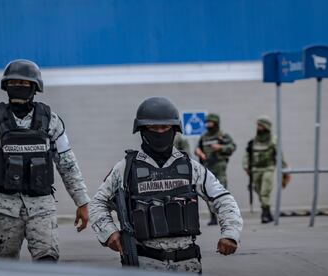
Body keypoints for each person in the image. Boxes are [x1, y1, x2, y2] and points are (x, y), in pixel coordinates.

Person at [89, 97, 243, 274]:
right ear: (142, 130)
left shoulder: (191, 167)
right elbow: (98, 203)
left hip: (187, 263)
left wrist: (230, 233)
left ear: (174, 129)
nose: (159, 132)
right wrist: (109, 233)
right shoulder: (126, 167)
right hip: (144, 262)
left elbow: (223, 199)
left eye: (165, 128)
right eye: (153, 128)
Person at [0, 59, 90, 261]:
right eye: (13, 83)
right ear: (6, 86)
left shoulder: (50, 120)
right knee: (3, 267)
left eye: (23, 83)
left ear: (34, 87)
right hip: (4, 208)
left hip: (42, 207)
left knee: (47, 260)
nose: (18, 87)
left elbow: (68, 164)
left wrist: (82, 201)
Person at [242, 115, 288, 224]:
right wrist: (245, 166)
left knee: (264, 191)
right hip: (255, 169)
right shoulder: (253, 141)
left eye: (260, 125)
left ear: (266, 126)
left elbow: (279, 154)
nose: (258, 127)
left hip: (268, 168)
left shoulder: (273, 140)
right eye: (258, 125)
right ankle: (267, 212)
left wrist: (285, 168)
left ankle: (265, 214)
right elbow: (248, 154)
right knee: (258, 190)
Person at [194, 113, 236, 225]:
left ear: (216, 123)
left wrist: (220, 147)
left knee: (220, 193)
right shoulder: (204, 137)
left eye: (210, 122)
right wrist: (199, 152)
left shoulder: (222, 135)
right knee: (208, 193)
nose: (208, 125)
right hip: (208, 168)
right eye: (206, 123)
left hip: (219, 167)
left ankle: (224, 216)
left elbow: (232, 147)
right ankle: (213, 217)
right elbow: (198, 148)